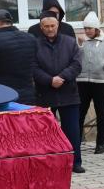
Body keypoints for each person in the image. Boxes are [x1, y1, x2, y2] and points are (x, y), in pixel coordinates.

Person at [33, 12, 84, 173]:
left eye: (52, 26)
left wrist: (62, 77)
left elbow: (77, 64)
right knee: (45, 132)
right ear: (41, 27)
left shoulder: (70, 42)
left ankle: (75, 162)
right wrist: (49, 80)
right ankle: (48, 164)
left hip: (68, 93)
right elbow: (33, 68)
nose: (50, 29)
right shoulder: (34, 45)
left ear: (58, 25)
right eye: (46, 26)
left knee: (72, 131)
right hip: (44, 94)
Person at [76, 11, 104, 154]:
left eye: (89, 28)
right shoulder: (81, 41)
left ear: (96, 28)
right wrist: (80, 45)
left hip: (102, 82)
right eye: (85, 28)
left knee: (101, 113)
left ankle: (100, 144)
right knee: (79, 112)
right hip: (82, 82)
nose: (87, 31)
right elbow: (75, 58)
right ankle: (76, 142)